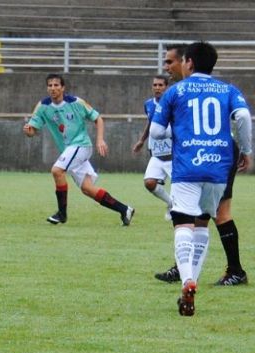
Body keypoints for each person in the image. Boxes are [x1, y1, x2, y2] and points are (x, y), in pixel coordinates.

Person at [150, 41, 252, 316]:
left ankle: (187, 281)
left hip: (188, 166)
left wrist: (180, 131)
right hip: (219, 166)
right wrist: (247, 149)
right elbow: (242, 115)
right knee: (203, 221)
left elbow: (157, 133)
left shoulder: (176, 91)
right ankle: (191, 280)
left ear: (190, 63)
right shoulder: (228, 89)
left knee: (182, 222)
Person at [23, 73, 134, 226]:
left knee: (57, 170)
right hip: (69, 150)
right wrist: (28, 131)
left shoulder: (76, 102)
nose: (53, 88)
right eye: (50, 85)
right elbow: (32, 130)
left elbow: (98, 118)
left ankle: (62, 214)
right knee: (87, 189)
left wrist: (100, 139)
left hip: (81, 145)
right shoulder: (43, 106)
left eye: (56, 85)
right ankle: (125, 210)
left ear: (63, 88)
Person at [131, 75, 172, 218]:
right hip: (157, 153)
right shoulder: (149, 104)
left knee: (183, 187)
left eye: (161, 85)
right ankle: (171, 203)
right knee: (149, 183)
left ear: (166, 87)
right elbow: (150, 123)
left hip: (175, 156)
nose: (157, 88)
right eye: (155, 85)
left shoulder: (174, 103)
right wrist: (142, 140)